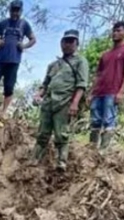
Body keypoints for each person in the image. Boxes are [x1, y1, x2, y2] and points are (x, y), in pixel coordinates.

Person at [32, 29, 89, 171]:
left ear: (76, 43)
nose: (67, 44)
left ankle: (61, 162)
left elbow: (81, 85)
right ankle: (34, 159)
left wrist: (75, 103)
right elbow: (45, 84)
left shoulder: (80, 61)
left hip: (64, 102)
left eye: (71, 41)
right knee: (42, 133)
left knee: (61, 134)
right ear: (61, 43)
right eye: (65, 41)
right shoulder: (53, 65)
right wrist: (38, 95)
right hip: (48, 102)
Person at [88, 21, 124, 152]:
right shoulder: (105, 54)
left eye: (119, 31)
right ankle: (91, 149)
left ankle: (103, 150)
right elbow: (98, 75)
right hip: (98, 91)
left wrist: (121, 92)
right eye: (114, 30)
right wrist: (91, 92)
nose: (115, 33)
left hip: (113, 90)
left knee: (109, 119)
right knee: (95, 120)